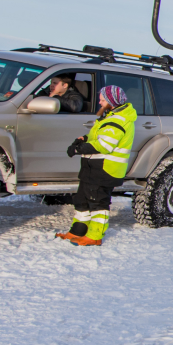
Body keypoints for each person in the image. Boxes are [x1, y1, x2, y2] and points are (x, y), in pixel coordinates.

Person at [57, 84, 137, 247]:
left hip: (105, 170)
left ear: (111, 101)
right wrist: (84, 139)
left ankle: (94, 236)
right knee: (82, 200)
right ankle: (78, 231)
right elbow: (98, 136)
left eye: (102, 99)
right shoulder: (110, 116)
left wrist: (78, 149)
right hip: (93, 168)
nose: (99, 102)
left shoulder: (119, 120)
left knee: (97, 202)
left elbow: (104, 145)